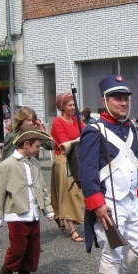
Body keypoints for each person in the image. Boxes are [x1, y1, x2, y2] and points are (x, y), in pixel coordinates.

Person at [78, 74, 138, 274]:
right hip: (109, 203)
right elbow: (87, 172)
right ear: (104, 101)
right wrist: (97, 203)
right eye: (116, 98)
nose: (122, 103)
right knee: (113, 252)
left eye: (125, 99)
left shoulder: (129, 127)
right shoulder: (93, 131)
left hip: (131, 200)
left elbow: (137, 164)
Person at [0, 124, 55, 274]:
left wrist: (47, 208)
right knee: (18, 248)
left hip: (33, 213)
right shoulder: (7, 165)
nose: (38, 149)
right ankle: (6, 273)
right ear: (26, 144)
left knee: (32, 249)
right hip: (17, 213)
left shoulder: (34, 163)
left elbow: (41, 187)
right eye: (36, 146)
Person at [50, 93, 86, 242]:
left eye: (74, 105)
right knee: (68, 193)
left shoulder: (78, 121)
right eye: (69, 105)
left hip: (77, 159)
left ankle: (62, 217)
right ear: (62, 107)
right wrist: (79, 139)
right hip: (64, 160)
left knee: (80, 192)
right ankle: (73, 230)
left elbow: (87, 134)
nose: (73, 108)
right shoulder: (58, 123)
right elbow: (65, 143)